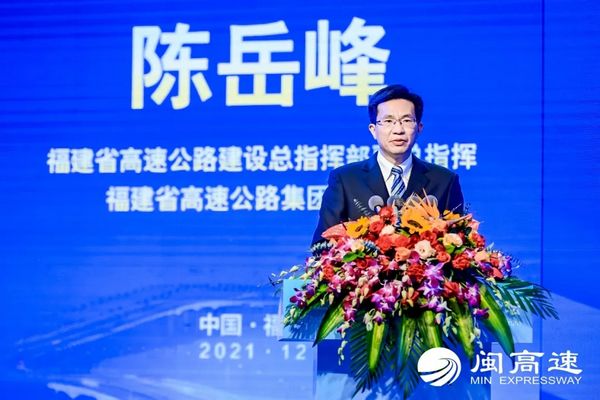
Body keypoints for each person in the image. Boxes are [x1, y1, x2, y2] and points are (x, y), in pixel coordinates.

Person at [312, 84, 464, 244]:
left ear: (419, 128)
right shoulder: (345, 180)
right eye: (388, 121)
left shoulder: (444, 181)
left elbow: (460, 243)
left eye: (406, 120)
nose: (398, 130)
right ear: (373, 130)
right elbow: (322, 246)